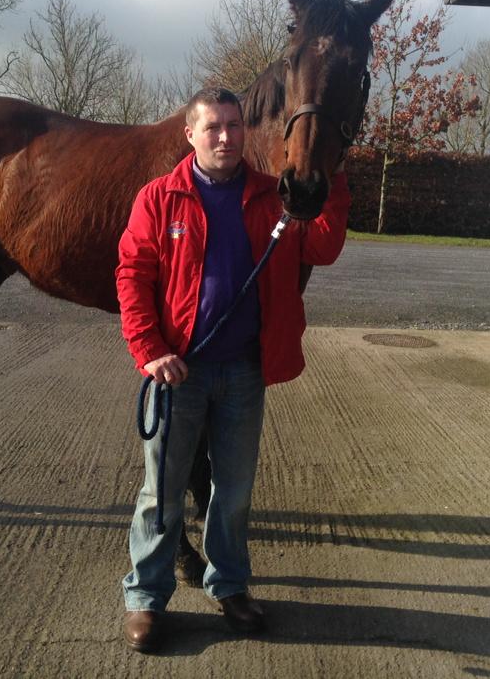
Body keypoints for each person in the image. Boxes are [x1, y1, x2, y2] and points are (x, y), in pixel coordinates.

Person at [116, 87, 350, 652]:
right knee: (162, 492)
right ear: (190, 135)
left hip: (243, 373)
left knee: (234, 489)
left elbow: (322, 247)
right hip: (179, 376)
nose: (225, 136)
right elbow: (132, 275)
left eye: (233, 126)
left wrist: (333, 172)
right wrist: (149, 349)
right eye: (213, 127)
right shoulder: (159, 198)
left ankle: (230, 585)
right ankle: (146, 597)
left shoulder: (274, 196)